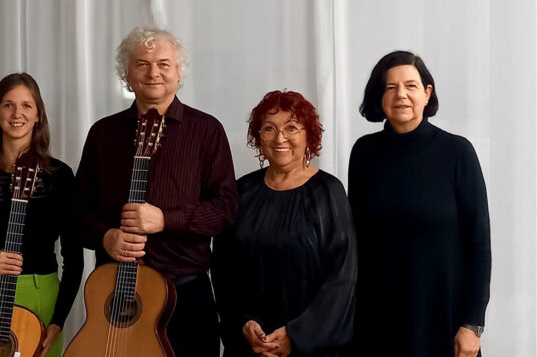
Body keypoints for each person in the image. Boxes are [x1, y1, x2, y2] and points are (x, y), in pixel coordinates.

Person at [74, 27, 238, 356]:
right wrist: (107, 237)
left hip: (186, 296)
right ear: (127, 74)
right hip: (117, 296)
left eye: (164, 64)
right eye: (142, 64)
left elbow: (225, 210)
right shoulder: (104, 133)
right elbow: (76, 210)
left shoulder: (207, 131)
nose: (153, 73)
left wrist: (166, 219)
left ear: (179, 73)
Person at [348, 50, 491, 357]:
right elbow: (356, 241)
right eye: (390, 87)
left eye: (411, 86)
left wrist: (473, 325)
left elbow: (479, 245)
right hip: (377, 321)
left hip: (444, 320)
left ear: (427, 93)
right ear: (379, 96)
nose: (401, 95)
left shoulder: (457, 153)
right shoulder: (363, 153)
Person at [212, 90, 357, 357]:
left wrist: (296, 335)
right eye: (269, 128)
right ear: (259, 137)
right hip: (251, 346)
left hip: (312, 348)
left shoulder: (328, 192)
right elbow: (223, 269)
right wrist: (243, 324)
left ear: (308, 135)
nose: (280, 138)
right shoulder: (242, 191)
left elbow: (342, 278)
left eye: (291, 127)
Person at [0, 73, 83, 357]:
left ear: (38, 115)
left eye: (27, 106)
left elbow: (74, 257)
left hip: (39, 292)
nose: (18, 114)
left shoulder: (59, 177)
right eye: (8, 105)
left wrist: (58, 320)